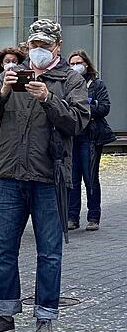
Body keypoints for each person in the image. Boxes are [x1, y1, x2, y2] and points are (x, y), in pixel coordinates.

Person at [0, 19, 89, 332]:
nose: (37, 50)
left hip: (49, 179)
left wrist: (49, 98)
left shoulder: (70, 79)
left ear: (57, 46)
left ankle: (45, 317)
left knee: (49, 252)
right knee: (1, 249)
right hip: (10, 175)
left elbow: (78, 122)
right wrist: (4, 89)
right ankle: (4, 314)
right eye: (33, 44)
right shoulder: (10, 74)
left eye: (44, 44)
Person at [67, 49, 115, 231]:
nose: (75, 66)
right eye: (72, 63)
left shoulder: (96, 85)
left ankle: (93, 217)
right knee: (72, 179)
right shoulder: (67, 84)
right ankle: (72, 217)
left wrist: (86, 106)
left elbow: (104, 108)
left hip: (91, 137)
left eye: (78, 62)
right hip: (73, 137)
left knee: (91, 178)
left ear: (86, 64)